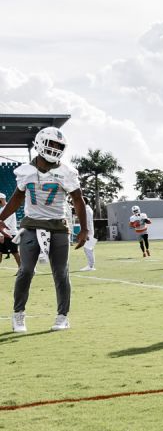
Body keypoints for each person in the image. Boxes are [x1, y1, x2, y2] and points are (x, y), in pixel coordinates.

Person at [0, 127, 89, 332]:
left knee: (60, 273)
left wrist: (84, 229)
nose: (55, 149)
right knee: (26, 270)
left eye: (59, 146)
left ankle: (62, 316)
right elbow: (17, 198)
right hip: (31, 224)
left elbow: (78, 199)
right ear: (40, 143)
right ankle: (18, 314)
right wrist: (1, 218)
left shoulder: (66, 172)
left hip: (58, 226)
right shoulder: (25, 171)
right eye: (52, 144)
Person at [72, 207, 96, 272]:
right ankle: (91, 265)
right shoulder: (89, 209)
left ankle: (90, 266)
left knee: (88, 249)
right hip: (90, 231)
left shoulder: (86, 210)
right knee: (89, 249)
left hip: (88, 232)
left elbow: (87, 222)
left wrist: (86, 233)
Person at [0, 194, 20, 270]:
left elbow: (4, 224)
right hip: (4, 234)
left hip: (10, 234)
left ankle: (21, 269)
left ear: (1, 199)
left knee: (14, 252)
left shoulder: (8, 209)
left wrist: (1, 235)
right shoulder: (2, 209)